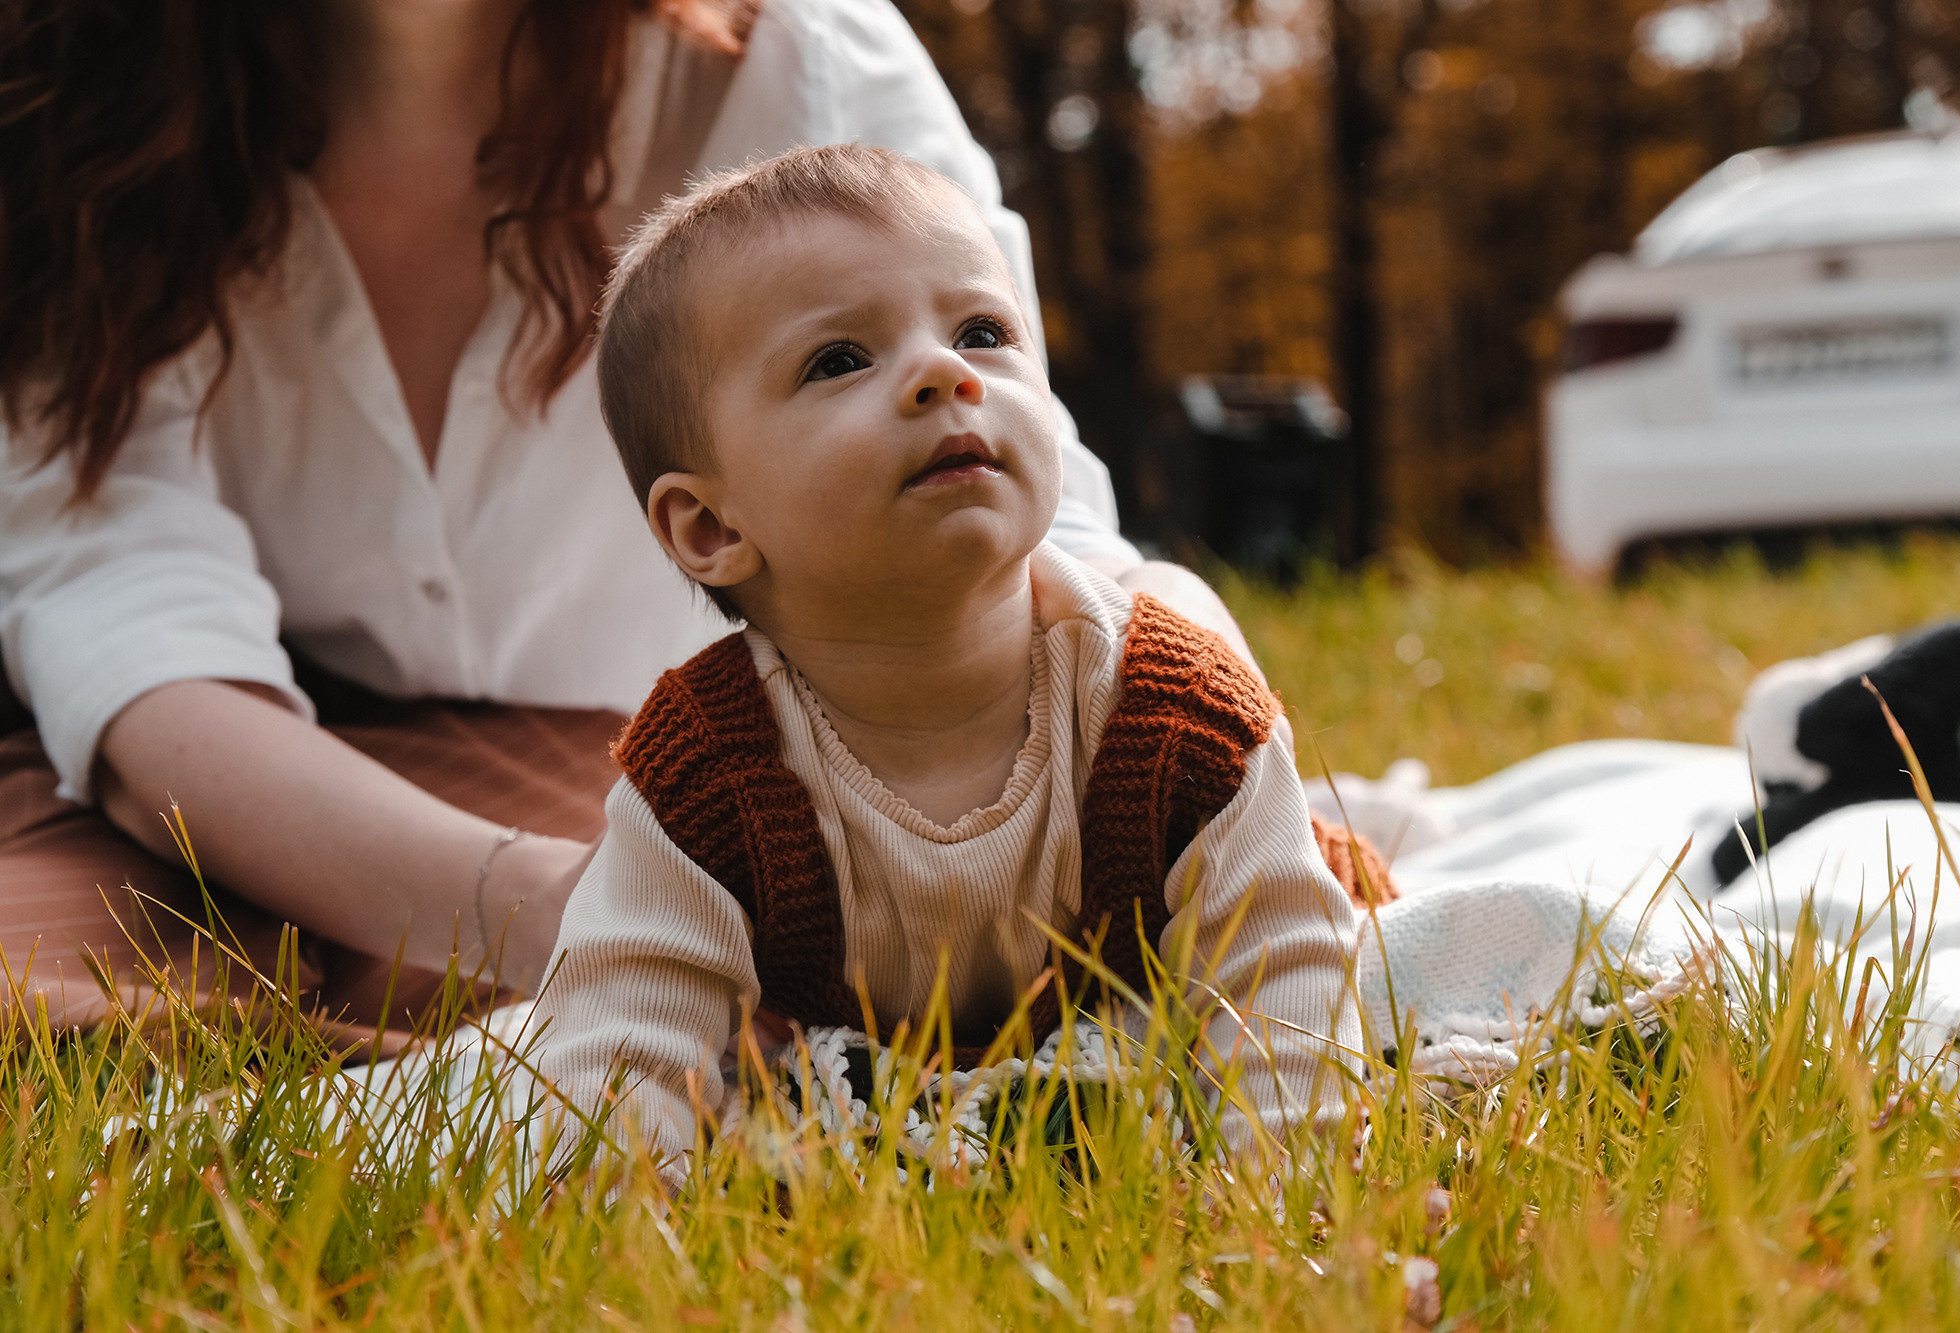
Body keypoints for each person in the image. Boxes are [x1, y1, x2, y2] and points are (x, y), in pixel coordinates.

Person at [0, 0, 1256, 1029]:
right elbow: (120, 617)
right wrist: (550, 912)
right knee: (80, 999)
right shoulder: (75, 113)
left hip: (643, 763)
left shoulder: (801, 62)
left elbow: (1033, 510)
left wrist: (1188, 745)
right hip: (221, 791)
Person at [533, 144, 1364, 1182]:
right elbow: (614, 1040)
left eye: (981, 332)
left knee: (1402, 961)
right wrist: (608, 1210)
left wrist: (1299, 1198)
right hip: (891, 1064)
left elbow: (1283, 971)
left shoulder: (1168, 708)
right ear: (707, 525)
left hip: (1151, 993)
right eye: (839, 359)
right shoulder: (709, 776)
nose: (944, 372)